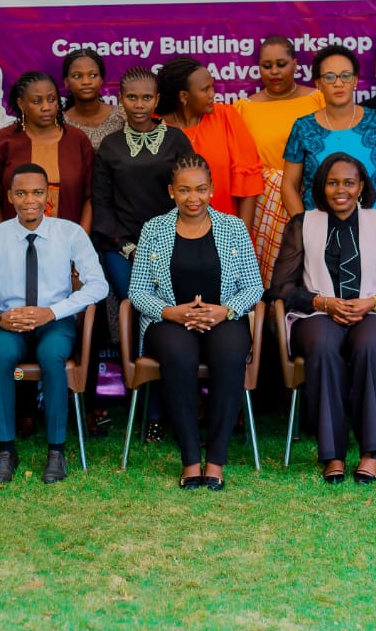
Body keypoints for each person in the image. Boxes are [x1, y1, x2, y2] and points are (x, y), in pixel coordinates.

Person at [0, 163, 108, 485]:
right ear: (10, 196)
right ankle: (6, 450)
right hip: (11, 322)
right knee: (2, 356)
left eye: (37, 192)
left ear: (48, 196)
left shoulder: (70, 233)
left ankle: (56, 451)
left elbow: (98, 285)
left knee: (52, 356)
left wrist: (54, 311)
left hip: (54, 322)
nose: (29, 200)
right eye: (21, 193)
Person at [269, 154, 376, 483]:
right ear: (321, 186)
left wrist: (375, 302)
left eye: (349, 183)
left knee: (369, 345)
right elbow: (281, 286)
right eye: (333, 183)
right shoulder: (302, 224)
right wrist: (320, 302)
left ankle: (370, 453)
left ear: (361, 186)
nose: (341, 190)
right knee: (323, 346)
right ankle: (333, 454)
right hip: (317, 312)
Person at [128, 154, 264, 490]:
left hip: (224, 317)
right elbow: (138, 291)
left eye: (201, 189)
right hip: (169, 321)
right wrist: (171, 312)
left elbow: (254, 286)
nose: (194, 198)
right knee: (179, 355)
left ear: (212, 189)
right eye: (185, 190)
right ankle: (190, 459)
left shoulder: (233, 227)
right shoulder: (153, 229)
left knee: (230, 354)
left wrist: (224, 310)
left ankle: (215, 460)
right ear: (171, 191)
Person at [90, 67, 193, 435]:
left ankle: (161, 412)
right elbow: (102, 204)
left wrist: (172, 243)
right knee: (137, 315)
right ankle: (144, 406)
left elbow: (190, 194)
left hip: (173, 245)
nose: (139, 104)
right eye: (131, 97)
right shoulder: (110, 146)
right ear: (120, 99)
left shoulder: (177, 139)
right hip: (122, 248)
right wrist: (126, 246)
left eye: (146, 97)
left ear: (157, 100)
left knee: (169, 319)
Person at [233, 36, 324, 281]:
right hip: (263, 205)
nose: (274, 71)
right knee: (270, 277)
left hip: (309, 197)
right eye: (267, 66)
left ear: (295, 64)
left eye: (281, 64)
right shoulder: (244, 108)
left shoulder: (317, 100)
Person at [283, 43, 376, 216]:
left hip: (373, 224)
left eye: (345, 76)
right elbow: (289, 186)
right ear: (318, 83)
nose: (338, 83)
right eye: (329, 77)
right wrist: (303, 225)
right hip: (318, 227)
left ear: (355, 80)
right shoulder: (303, 128)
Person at [157, 56, 263, 232]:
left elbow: (248, 184)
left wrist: (241, 236)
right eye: (205, 89)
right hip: (171, 235)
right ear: (184, 96)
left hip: (224, 233)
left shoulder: (226, 117)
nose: (212, 94)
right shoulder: (156, 127)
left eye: (212, 87)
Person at [0, 71, 94, 230]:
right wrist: (1, 240)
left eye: (52, 99)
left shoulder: (77, 140)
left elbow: (90, 197)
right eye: (37, 101)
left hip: (69, 240)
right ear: (21, 104)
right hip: (14, 240)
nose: (46, 107)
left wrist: (81, 239)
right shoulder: (3, 141)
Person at [62, 47, 125, 150]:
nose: (86, 82)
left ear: (101, 79)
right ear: (66, 82)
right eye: (77, 76)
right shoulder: (61, 123)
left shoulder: (122, 116)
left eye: (93, 75)